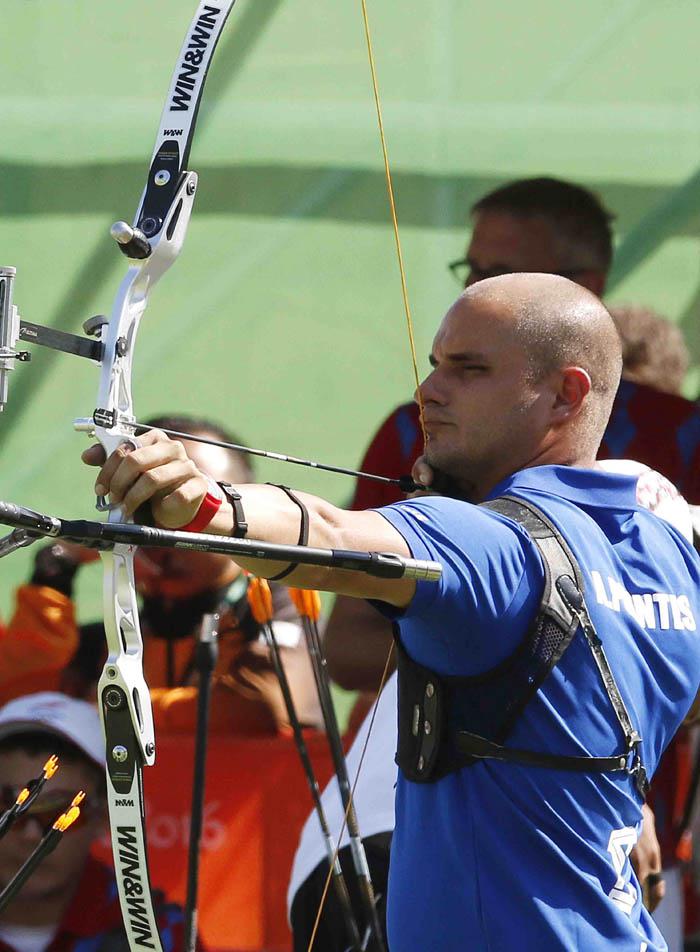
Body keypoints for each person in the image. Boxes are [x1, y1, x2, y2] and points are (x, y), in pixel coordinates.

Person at [84, 272, 700, 950]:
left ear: (565, 393)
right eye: (436, 365)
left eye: (470, 370)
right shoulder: (666, 553)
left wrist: (204, 506)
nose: (430, 391)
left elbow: (331, 534)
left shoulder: (493, 544)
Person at [0, 416, 322, 736]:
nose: (167, 531)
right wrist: (55, 571)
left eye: (196, 506)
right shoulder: (103, 642)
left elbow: (262, 706)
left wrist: (108, 711)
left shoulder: (277, 603)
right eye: (146, 510)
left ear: (238, 514)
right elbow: (20, 702)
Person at [0, 691, 189, 952]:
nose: (31, 834)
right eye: (8, 804)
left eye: (60, 809)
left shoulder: (164, 935)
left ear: (105, 817)